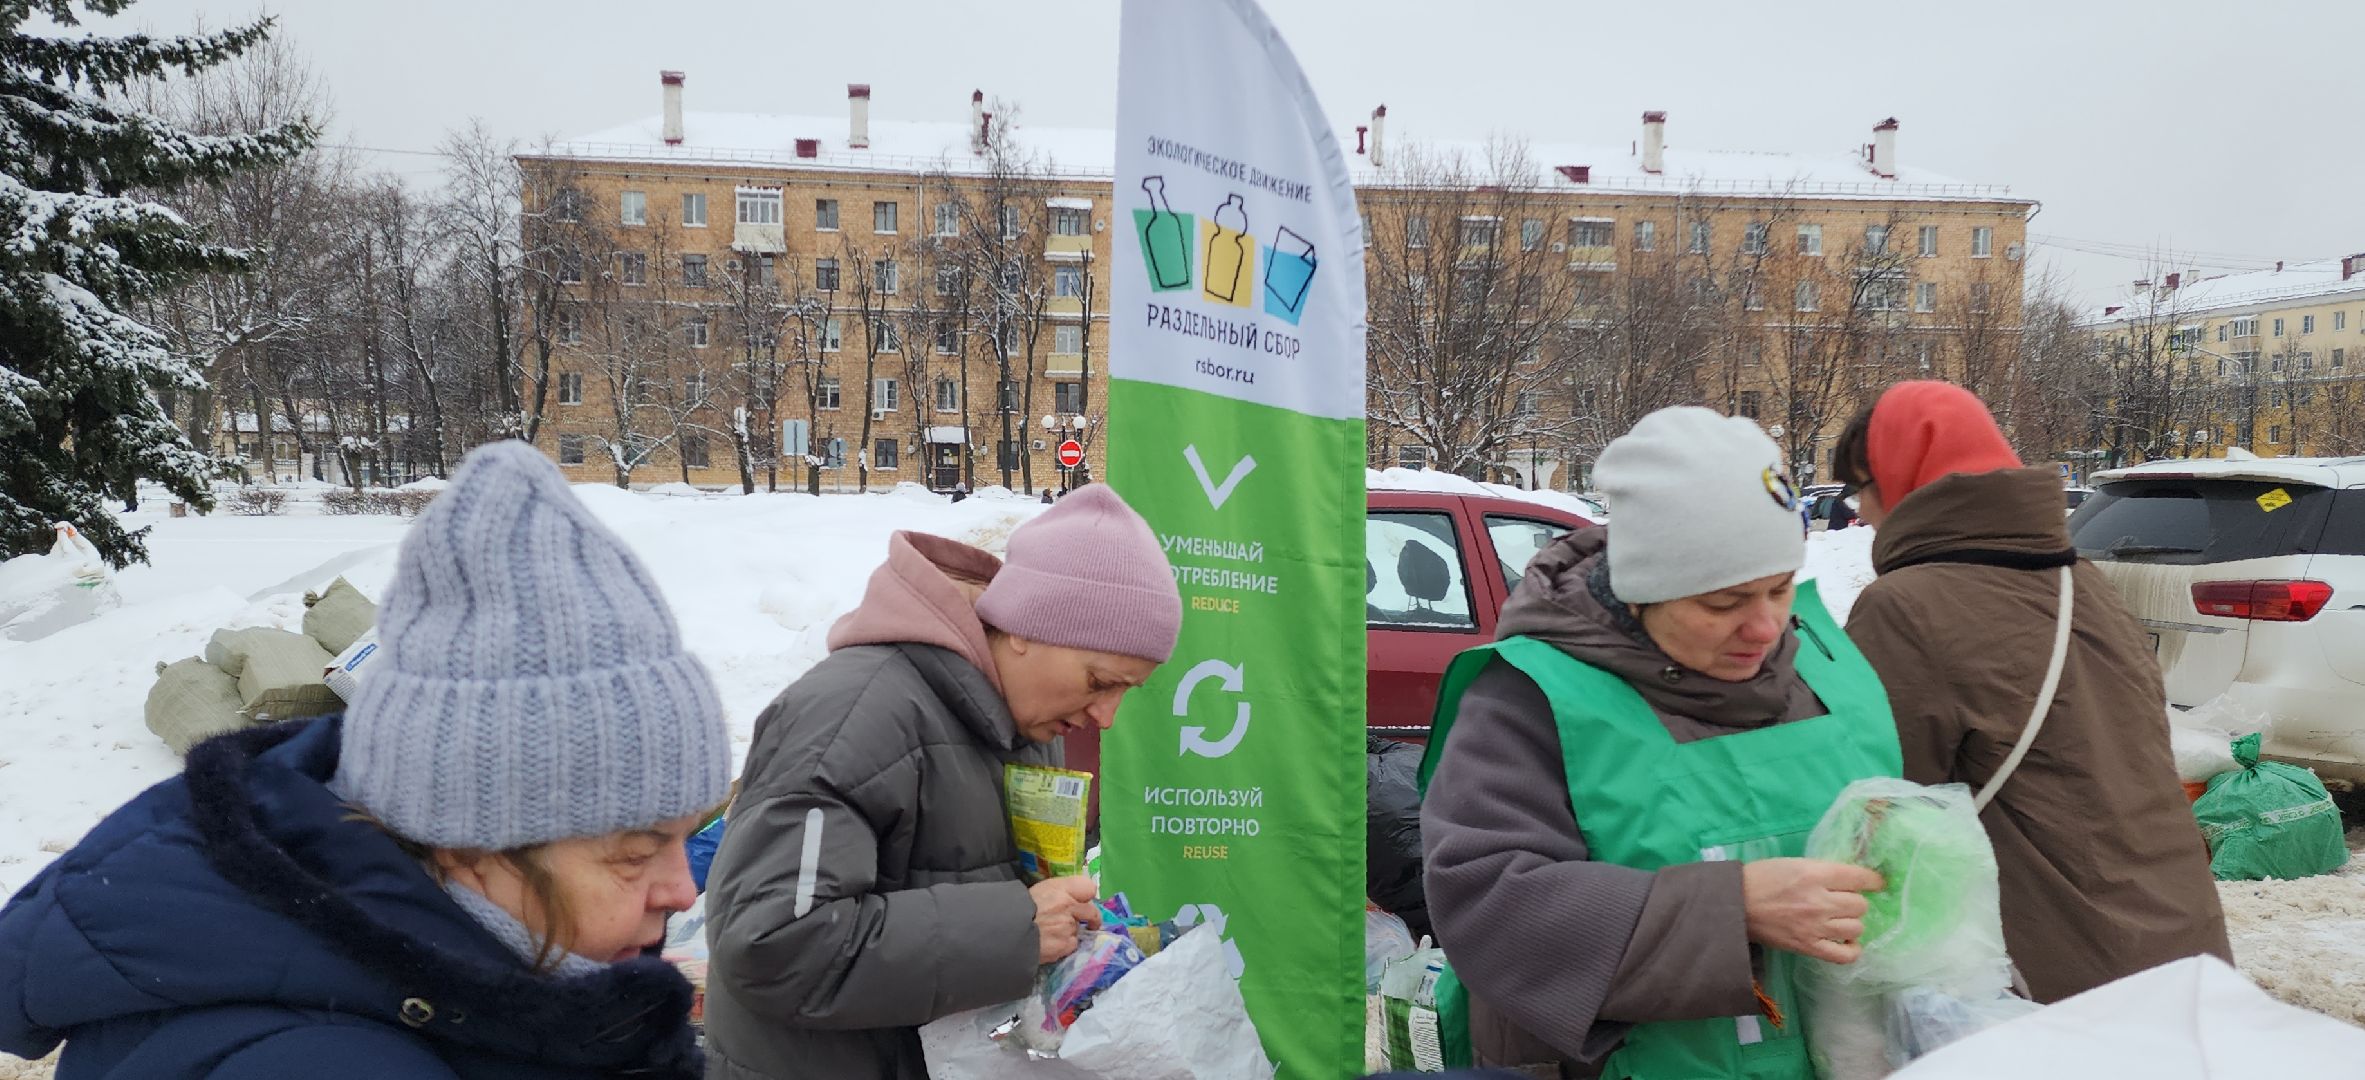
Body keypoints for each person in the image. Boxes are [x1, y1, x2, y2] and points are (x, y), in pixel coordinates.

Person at [0, 441, 731, 1078]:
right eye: (636, 855)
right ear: (466, 844)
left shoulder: (435, 984)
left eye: (684, 838)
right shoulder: (312, 1061)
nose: (682, 890)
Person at [1422, 406, 1899, 1078]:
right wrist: (1733, 909)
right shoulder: (1531, 698)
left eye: (1778, 588)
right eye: (1723, 602)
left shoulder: (1824, 664)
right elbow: (1489, 903)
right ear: (1639, 593)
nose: (1766, 627)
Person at [701, 484, 1182, 1080]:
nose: (1106, 716)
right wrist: (1014, 929)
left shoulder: (1027, 723)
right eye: (1099, 681)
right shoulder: (851, 716)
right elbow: (771, 941)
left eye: (1126, 691)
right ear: (1026, 628)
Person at [1832, 381, 2229, 1003]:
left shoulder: (1905, 608)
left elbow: (1875, 811)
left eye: (1859, 489)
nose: (1860, 513)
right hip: (2183, 948)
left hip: (2057, 978)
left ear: (1895, 480)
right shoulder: (2087, 586)